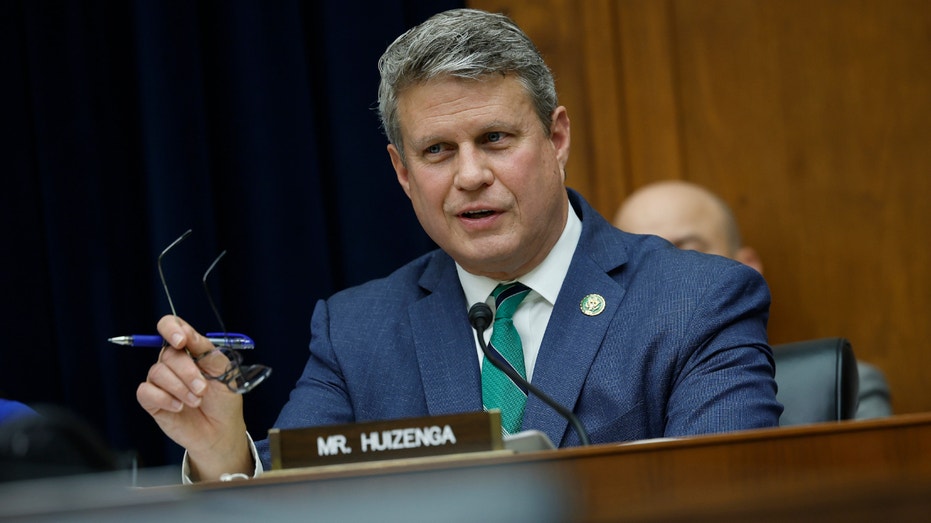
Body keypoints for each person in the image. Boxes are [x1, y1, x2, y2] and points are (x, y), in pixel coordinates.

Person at [136, 9, 782, 483]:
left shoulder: (695, 299)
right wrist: (225, 455)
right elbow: (300, 500)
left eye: (496, 138)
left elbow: (725, 492)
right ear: (401, 171)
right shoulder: (355, 329)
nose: (469, 174)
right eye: (438, 150)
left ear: (556, 139)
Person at [613, 179, 892, 420]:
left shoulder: (845, 386)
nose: (667, 276)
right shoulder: (607, 405)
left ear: (748, 265)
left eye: (688, 253)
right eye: (645, 262)